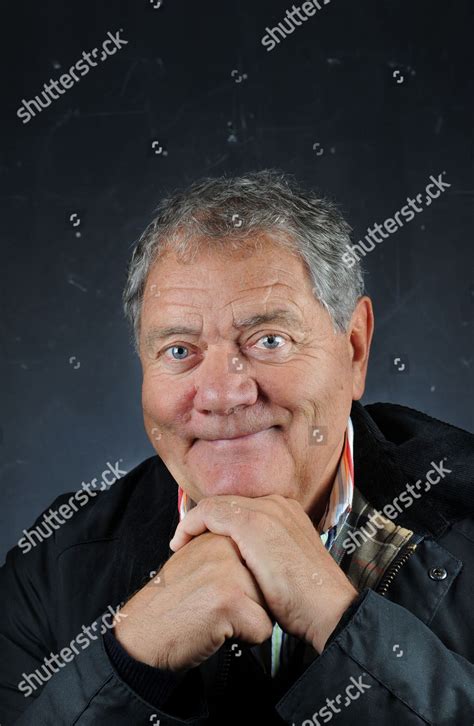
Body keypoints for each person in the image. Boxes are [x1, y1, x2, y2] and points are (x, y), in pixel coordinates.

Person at [1, 170, 473, 725]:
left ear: (355, 349)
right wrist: (130, 662)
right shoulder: (52, 566)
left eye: (269, 340)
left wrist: (339, 617)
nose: (223, 394)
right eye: (180, 351)